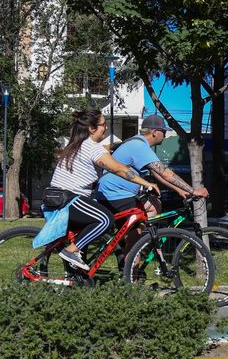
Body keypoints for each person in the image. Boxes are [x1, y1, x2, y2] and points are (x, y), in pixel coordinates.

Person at [48, 110, 159, 270]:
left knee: (87, 227)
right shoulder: (92, 147)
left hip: (56, 197)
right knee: (106, 219)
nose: (105, 128)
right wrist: (146, 184)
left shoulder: (76, 145)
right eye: (103, 125)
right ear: (92, 129)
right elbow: (119, 169)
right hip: (69, 199)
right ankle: (71, 251)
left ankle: (74, 274)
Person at [96, 114, 208, 250]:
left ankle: (133, 249)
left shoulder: (136, 142)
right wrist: (193, 190)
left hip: (112, 193)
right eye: (164, 132)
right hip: (117, 195)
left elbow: (157, 173)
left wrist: (180, 191)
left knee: (154, 204)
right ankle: (134, 254)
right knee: (135, 239)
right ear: (154, 132)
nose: (165, 136)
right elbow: (165, 172)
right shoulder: (139, 146)